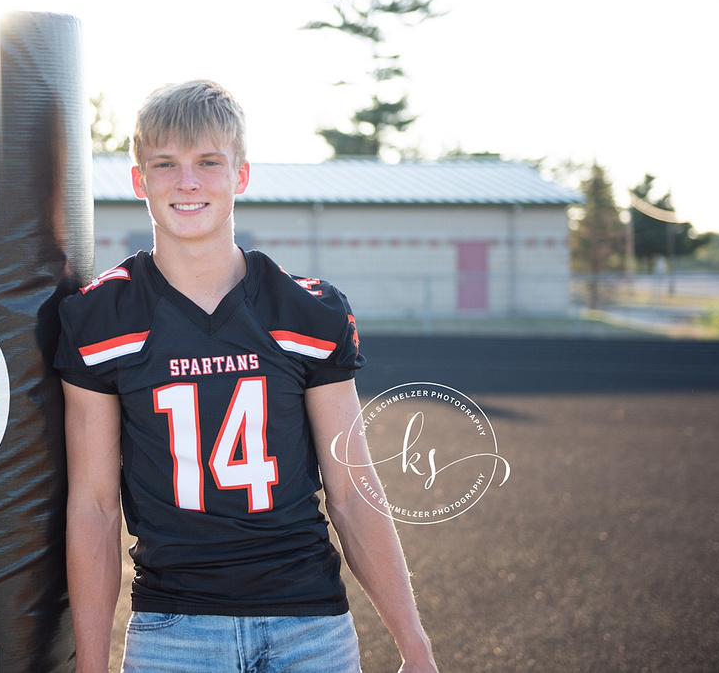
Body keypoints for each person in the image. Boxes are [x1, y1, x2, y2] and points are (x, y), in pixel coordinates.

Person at [55, 79, 437, 672]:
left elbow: (353, 493)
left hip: (309, 625)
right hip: (172, 631)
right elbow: (96, 506)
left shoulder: (307, 311)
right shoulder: (101, 319)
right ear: (139, 181)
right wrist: (91, 663)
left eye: (208, 162)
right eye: (166, 164)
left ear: (241, 175)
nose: (188, 182)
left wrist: (413, 643)